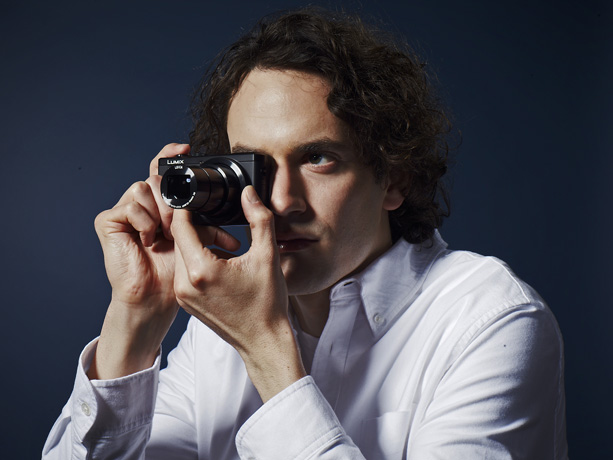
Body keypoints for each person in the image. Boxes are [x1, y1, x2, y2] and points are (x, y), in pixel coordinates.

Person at [43, 7, 567, 459]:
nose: (280, 201)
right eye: (256, 166)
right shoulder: (216, 330)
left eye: (318, 158)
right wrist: (137, 317)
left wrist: (264, 348)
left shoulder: (489, 320)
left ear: (395, 178)